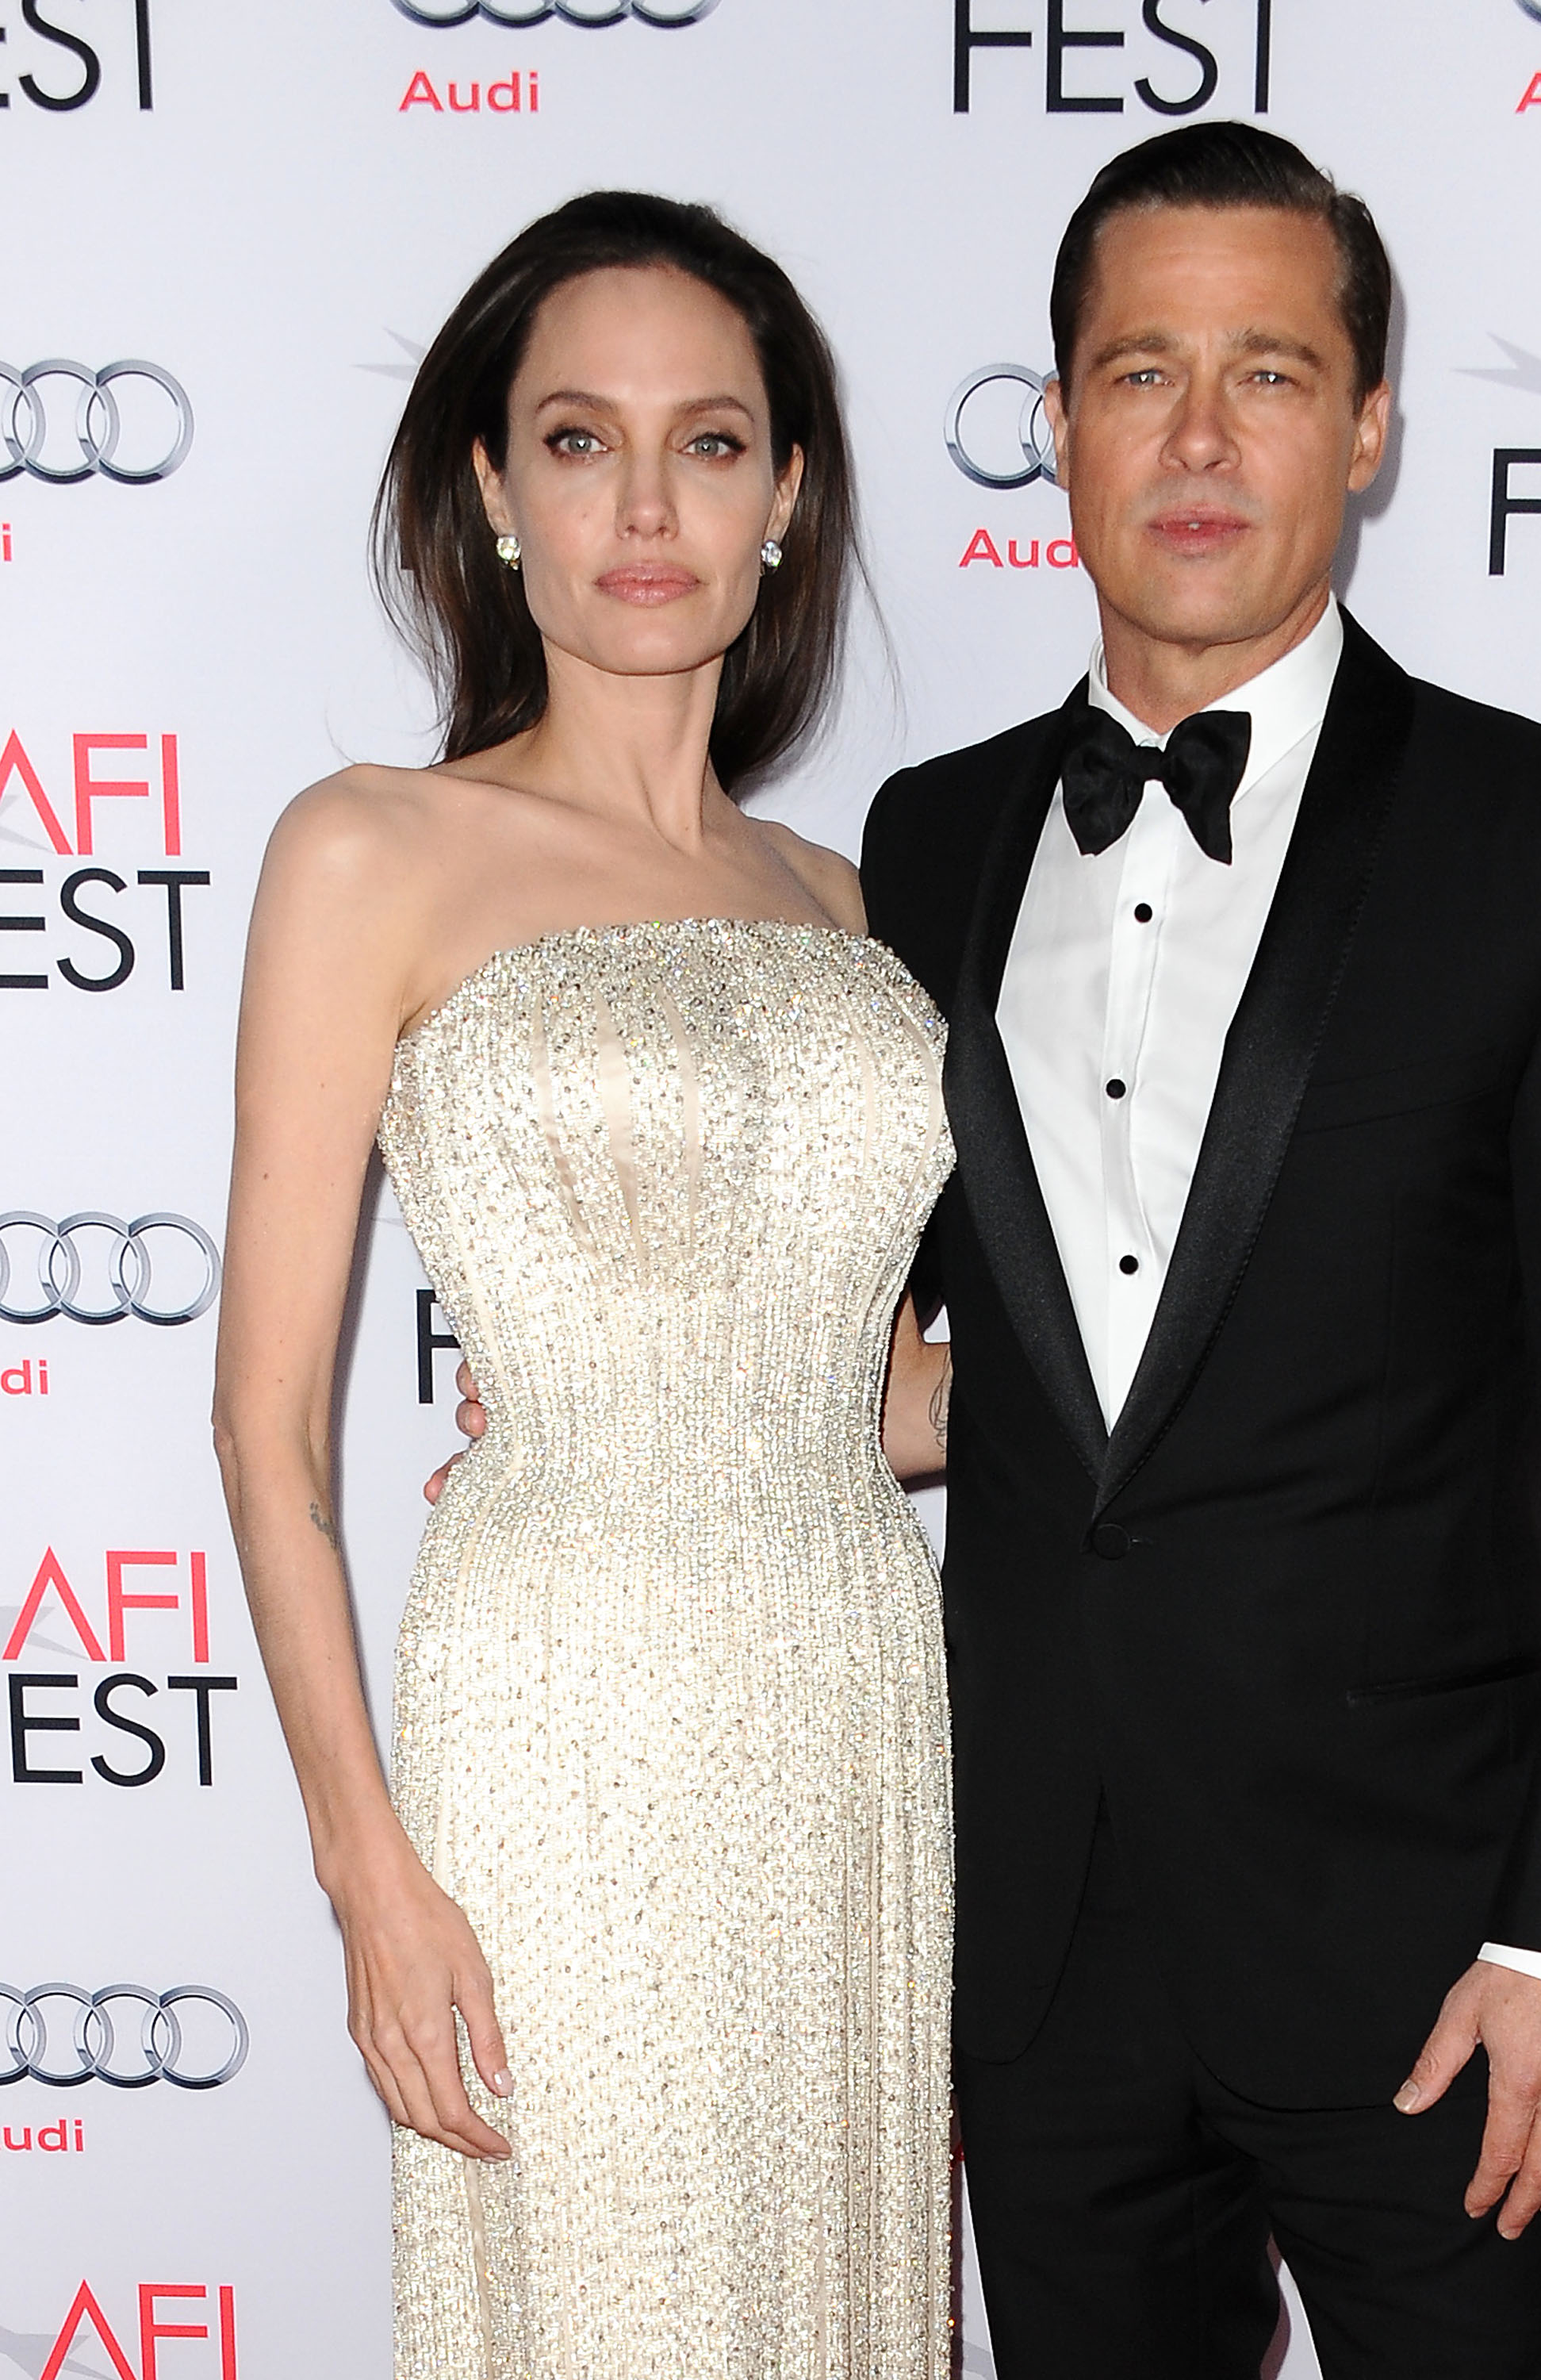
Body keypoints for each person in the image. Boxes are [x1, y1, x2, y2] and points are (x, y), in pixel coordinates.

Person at [859, 125, 1541, 2378]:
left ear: (1364, 426)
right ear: (1053, 420)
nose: (1194, 433)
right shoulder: (930, 834)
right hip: (1042, 1943)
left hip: (1432, 1958)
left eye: (1268, 370)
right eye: (1137, 368)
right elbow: (985, 1342)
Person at [213, 191, 956, 2380]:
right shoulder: (373, 849)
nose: (646, 503)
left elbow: (876, 1394)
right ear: (491, 491)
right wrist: (370, 1866)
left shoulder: (856, 899)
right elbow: (267, 1427)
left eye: (711, 443)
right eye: (577, 438)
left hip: (854, 1701)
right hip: (558, 1713)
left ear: (790, 501)